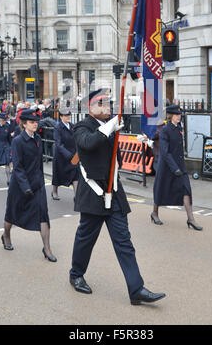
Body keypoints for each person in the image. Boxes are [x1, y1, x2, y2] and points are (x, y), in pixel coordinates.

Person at [69, 88, 166, 305]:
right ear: (90, 108)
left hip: (113, 193)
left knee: (124, 242)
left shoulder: (111, 128)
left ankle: (136, 289)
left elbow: (117, 160)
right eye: (102, 104)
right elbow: (88, 143)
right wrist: (108, 129)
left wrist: (116, 132)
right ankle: (76, 274)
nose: (108, 107)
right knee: (86, 240)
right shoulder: (82, 127)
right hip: (94, 193)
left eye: (108, 103)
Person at [2, 109, 56, 262]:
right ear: (24, 124)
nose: (35, 124)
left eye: (36, 122)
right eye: (32, 122)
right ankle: (6, 235)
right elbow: (17, 167)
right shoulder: (17, 141)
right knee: (12, 213)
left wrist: (40, 181)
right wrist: (25, 187)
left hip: (37, 184)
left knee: (43, 214)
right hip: (20, 185)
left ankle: (47, 248)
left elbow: (39, 164)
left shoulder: (38, 138)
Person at [152, 105, 202, 230]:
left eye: (179, 115)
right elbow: (164, 152)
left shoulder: (179, 128)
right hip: (167, 166)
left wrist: (180, 166)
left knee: (186, 190)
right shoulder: (165, 130)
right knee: (161, 189)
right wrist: (174, 168)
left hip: (180, 166)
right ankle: (154, 213)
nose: (179, 117)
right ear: (170, 116)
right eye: (176, 115)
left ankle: (191, 219)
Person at [51, 108, 79, 200]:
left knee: (76, 174)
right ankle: (54, 192)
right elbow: (58, 144)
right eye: (66, 116)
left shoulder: (72, 126)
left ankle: (77, 195)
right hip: (61, 156)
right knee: (57, 175)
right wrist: (68, 154)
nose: (68, 117)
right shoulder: (57, 127)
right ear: (61, 117)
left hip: (73, 155)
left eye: (69, 115)